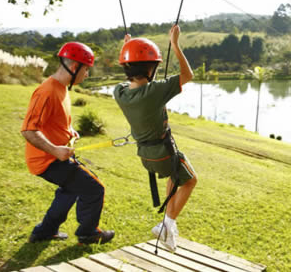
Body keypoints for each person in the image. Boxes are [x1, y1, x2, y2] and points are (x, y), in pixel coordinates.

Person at [21, 42, 114, 245]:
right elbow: (29, 130)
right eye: (86, 69)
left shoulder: (61, 88)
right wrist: (55, 150)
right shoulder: (46, 91)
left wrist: (69, 132)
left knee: (70, 190)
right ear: (74, 67)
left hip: (54, 157)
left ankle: (45, 231)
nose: (87, 74)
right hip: (48, 160)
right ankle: (88, 233)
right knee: (94, 188)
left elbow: (54, 122)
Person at [114, 25, 197, 252]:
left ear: (126, 66)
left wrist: (127, 51)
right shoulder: (154, 91)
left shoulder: (119, 93)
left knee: (174, 178)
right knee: (190, 181)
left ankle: (168, 231)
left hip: (146, 156)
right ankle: (167, 224)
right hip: (164, 153)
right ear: (150, 69)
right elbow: (188, 75)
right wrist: (175, 45)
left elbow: (129, 80)